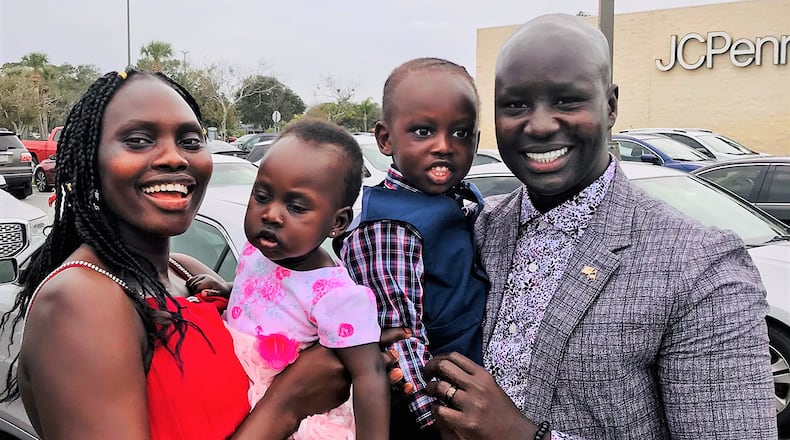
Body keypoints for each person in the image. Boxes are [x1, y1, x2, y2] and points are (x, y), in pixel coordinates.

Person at [422, 13, 777, 439]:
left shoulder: (700, 267)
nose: (538, 125)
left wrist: (523, 436)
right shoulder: (475, 227)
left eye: (567, 101)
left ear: (610, 106)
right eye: (514, 105)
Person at [0, 69, 401, 440]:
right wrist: (288, 403)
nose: (175, 157)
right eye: (138, 140)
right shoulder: (83, 300)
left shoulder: (186, 272)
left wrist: (351, 340)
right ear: (89, 161)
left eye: (190, 141)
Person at [190, 119, 389, 439]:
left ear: (337, 223)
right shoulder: (257, 253)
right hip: (238, 402)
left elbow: (371, 376)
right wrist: (228, 290)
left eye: (296, 206)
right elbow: (265, 297)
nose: (271, 214)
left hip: (294, 424)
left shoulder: (336, 296)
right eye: (262, 195)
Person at [338, 57, 488, 436]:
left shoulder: (450, 199)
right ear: (386, 139)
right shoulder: (389, 227)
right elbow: (400, 340)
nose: (444, 146)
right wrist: (437, 421)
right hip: (440, 410)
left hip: (475, 392)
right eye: (423, 131)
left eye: (461, 133)